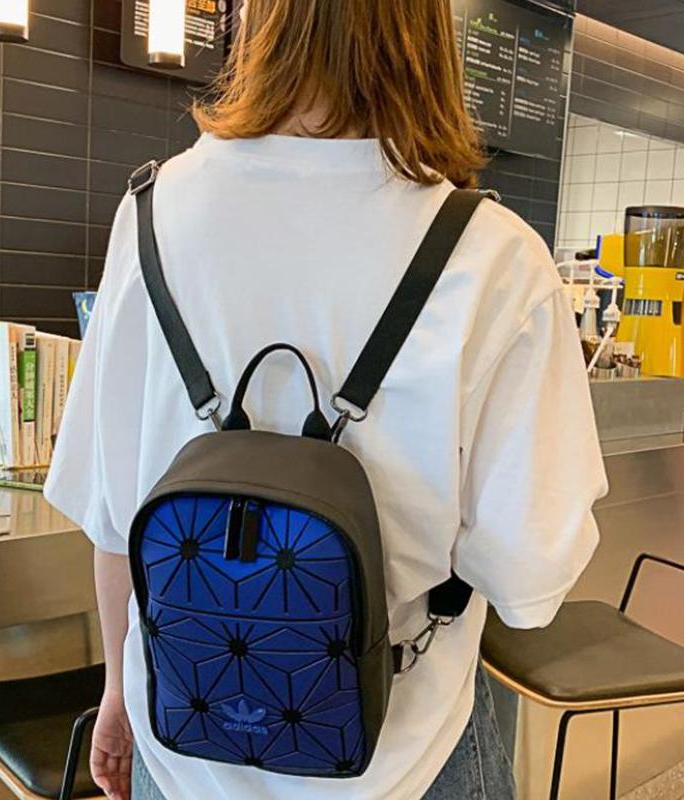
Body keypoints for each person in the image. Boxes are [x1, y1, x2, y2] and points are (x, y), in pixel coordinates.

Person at [44, 0, 608, 798]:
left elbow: (113, 519)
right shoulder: (496, 257)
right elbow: (528, 580)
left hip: (184, 745)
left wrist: (116, 691)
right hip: (404, 759)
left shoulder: (147, 214)